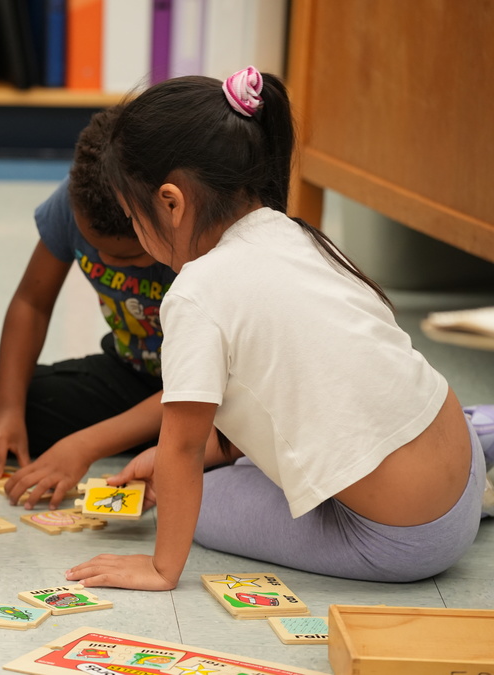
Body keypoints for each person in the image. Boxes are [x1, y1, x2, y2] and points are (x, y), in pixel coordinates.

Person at [66, 67, 494, 591]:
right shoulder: (293, 232)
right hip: (459, 461)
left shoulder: (195, 293)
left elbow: (183, 447)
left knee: (210, 503)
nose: (136, 231)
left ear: (171, 203)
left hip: (408, 539)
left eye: (134, 219)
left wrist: (161, 567)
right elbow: (300, 395)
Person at [0, 107, 220, 510]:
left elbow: (210, 383)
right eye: (93, 247)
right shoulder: (72, 200)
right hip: (131, 375)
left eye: (130, 256)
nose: (106, 261)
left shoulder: (201, 238)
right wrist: (6, 411)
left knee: (239, 441)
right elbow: (31, 303)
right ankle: (159, 443)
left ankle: (177, 447)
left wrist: (85, 446)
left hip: (206, 392)